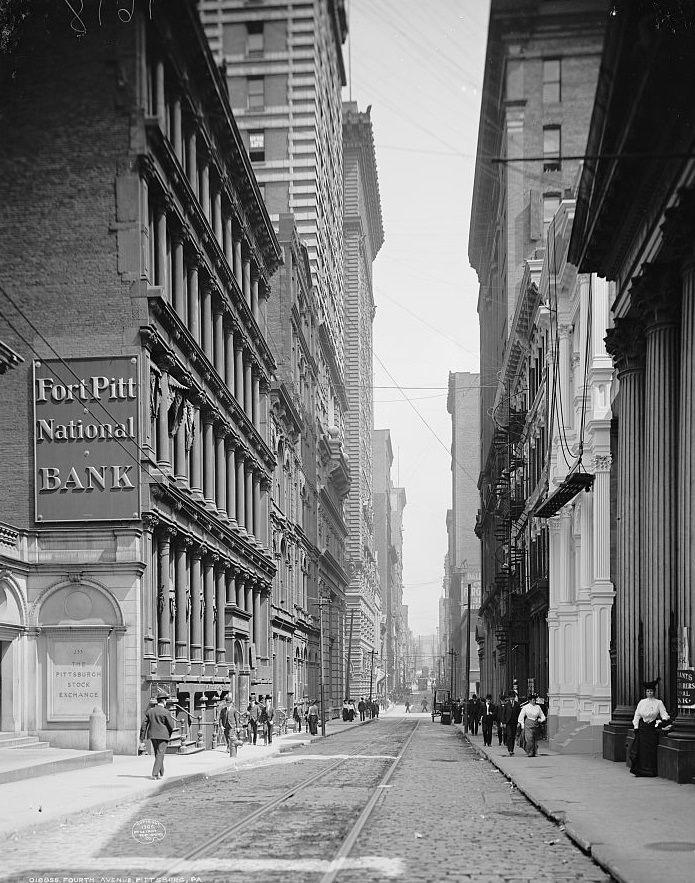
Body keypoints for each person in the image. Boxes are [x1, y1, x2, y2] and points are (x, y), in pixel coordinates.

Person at [630, 678, 672, 777]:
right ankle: (640, 771)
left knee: (651, 751)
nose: (649, 692)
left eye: (651, 691)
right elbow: (637, 715)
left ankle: (651, 771)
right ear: (646, 692)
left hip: (652, 729)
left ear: (654, 692)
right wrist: (636, 727)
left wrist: (664, 720)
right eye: (648, 691)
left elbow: (664, 714)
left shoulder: (658, 703)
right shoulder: (642, 702)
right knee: (641, 751)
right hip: (643, 729)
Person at [139, 692, 175, 780]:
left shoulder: (150, 711)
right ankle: (155, 774)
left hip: (152, 735)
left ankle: (161, 772)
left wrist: (142, 737)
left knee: (157, 754)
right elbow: (171, 726)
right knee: (160, 754)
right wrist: (169, 734)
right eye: (166, 700)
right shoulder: (166, 712)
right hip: (163, 735)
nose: (166, 702)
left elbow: (144, 724)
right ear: (163, 701)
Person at [502, 690, 521, 755]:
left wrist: (519, 722)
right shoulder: (506, 704)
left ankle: (512, 749)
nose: (512, 698)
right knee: (509, 735)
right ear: (509, 697)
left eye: (513, 697)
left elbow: (519, 714)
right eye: (511, 697)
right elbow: (504, 714)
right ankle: (509, 748)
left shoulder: (517, 704)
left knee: (513, 736)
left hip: (514, 722)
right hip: (508, 722)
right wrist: (503, 722)